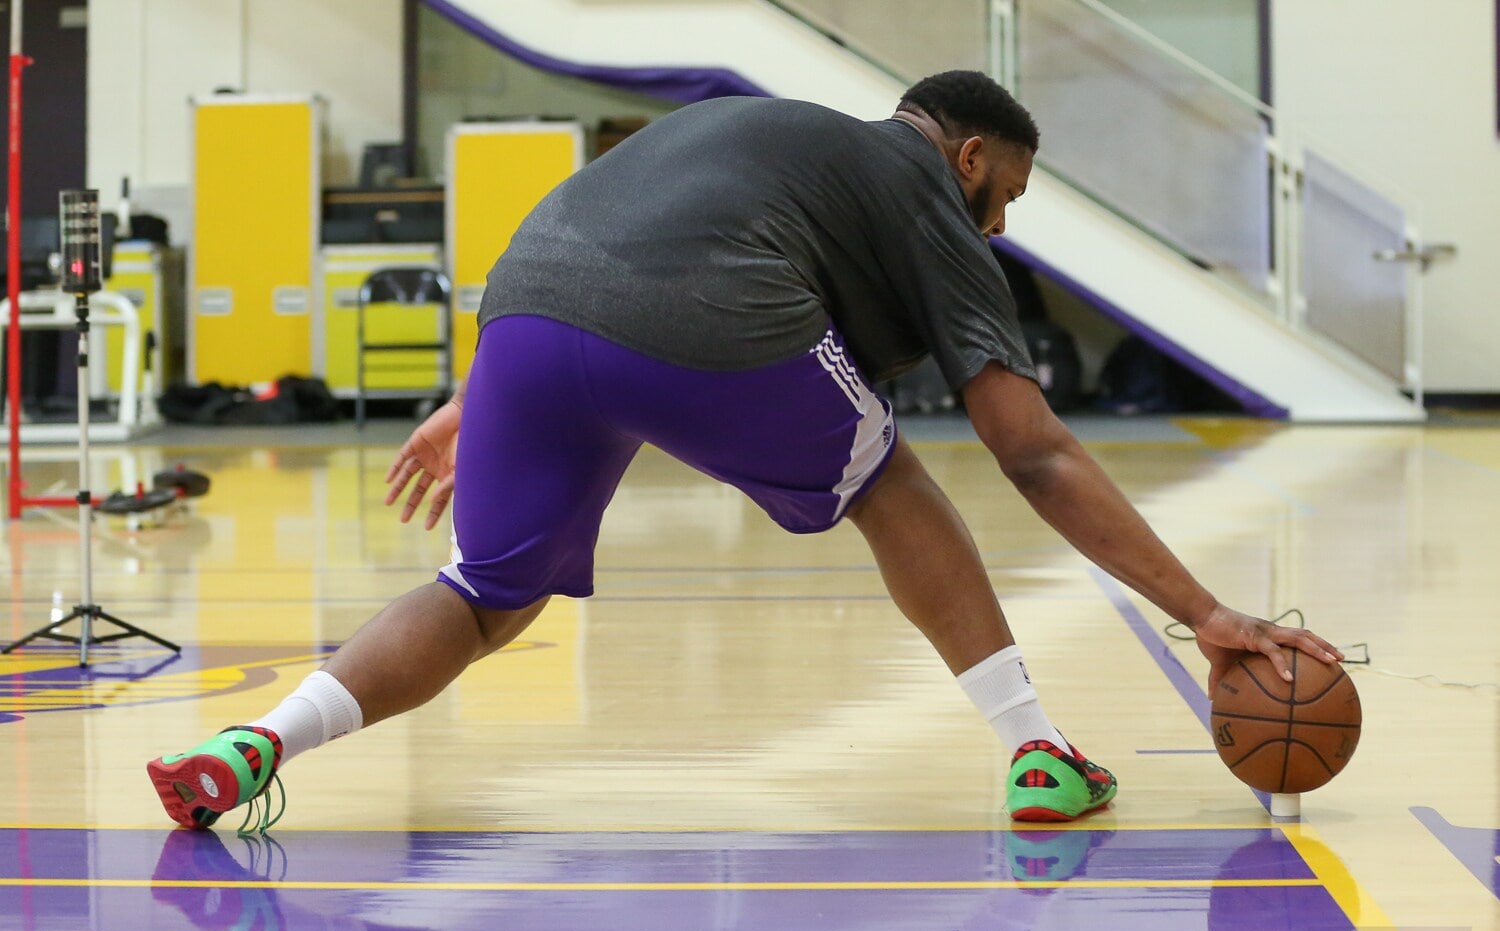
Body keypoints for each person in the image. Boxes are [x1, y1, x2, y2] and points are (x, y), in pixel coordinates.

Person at [147, 71, 1343, 833]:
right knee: (891, 480)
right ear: (970, 155)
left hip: (525, 313)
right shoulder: (927, 193)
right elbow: (1029, 450)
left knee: (484, 594)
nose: (998, 225)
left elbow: (609, 238)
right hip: (705, 313)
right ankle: (1039, 752)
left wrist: (491, 387)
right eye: (1008, 196)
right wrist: (1203, 611)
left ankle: (254, 746)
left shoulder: (759, 130)